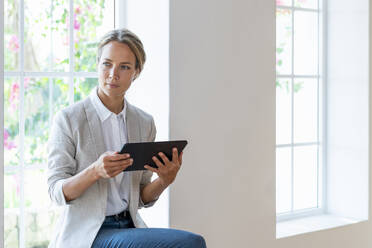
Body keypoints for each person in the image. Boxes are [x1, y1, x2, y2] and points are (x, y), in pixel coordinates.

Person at [47, 28, 207, 248]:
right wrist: (95, 171)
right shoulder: (69, 120)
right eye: (107, 64)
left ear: (136, 72)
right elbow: (56, 192)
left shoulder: (143, 122)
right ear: (98, 64)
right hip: (89, 234)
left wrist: (164, 180)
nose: (113, 74)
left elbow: (141, 196)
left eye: (124, 67)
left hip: (130, 227)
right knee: (190, 243)